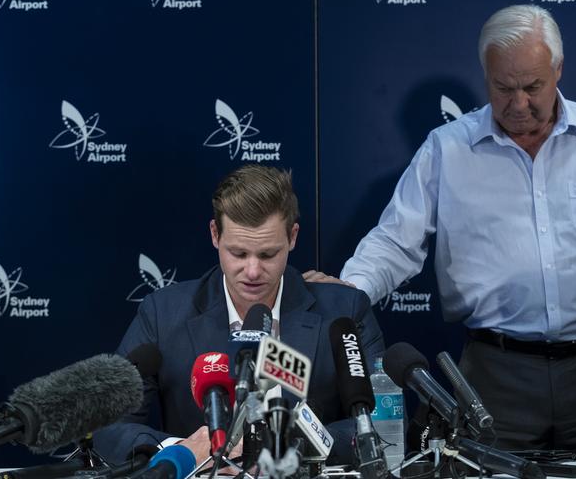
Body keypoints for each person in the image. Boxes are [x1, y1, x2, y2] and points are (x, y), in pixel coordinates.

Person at [305, 4, 576, 456]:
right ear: (485, 75)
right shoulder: (448, 149)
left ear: (559, 69)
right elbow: (395, 242)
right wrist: (347, 294)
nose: (518, 104)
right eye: (503, 88)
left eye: (532, 87)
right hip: (494, 377)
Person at [94, 165, 385, 466]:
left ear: (293, 237)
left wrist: (292, 447)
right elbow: (108, 423)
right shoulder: (162, 313)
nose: (253, 271)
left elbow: (382, 420)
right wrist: (183, 450)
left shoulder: (345, 311)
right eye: (238, 253)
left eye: (268, 254)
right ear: (215, 235)